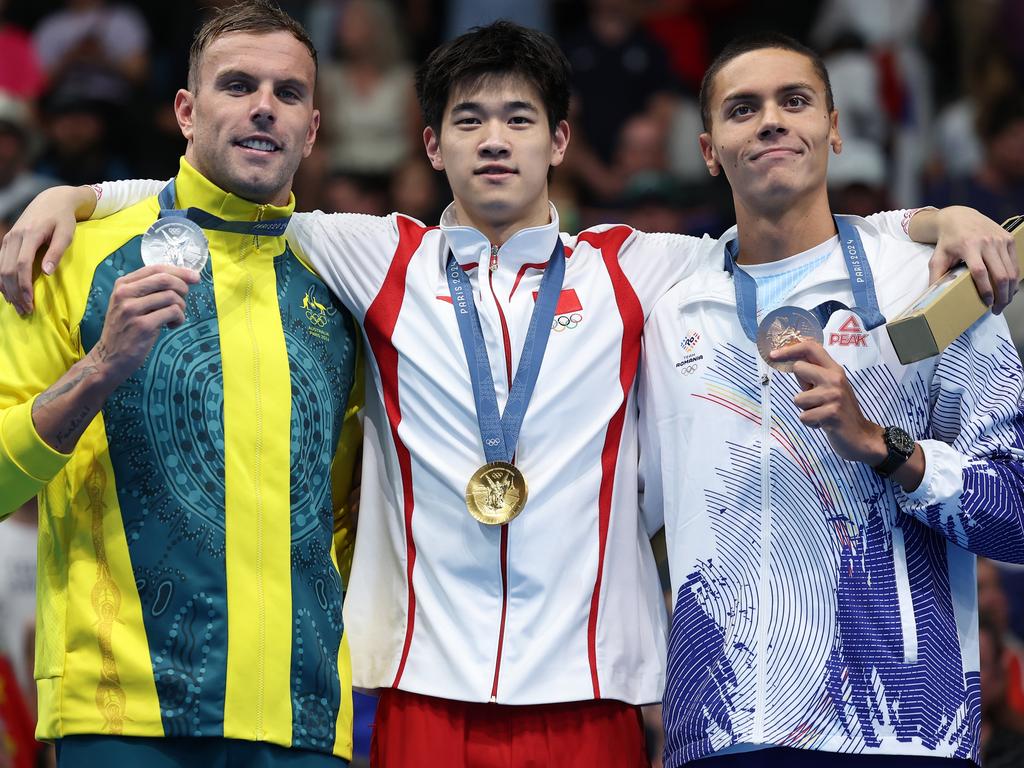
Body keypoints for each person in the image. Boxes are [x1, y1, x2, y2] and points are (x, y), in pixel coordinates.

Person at [0, 21, 1017, 768]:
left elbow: (793, 237)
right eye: (467, 120)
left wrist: (943, 217)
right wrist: (74, 196)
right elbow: (230, 191)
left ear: (560, 144)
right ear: (429, 146)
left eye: (520, 118)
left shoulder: (641, 267)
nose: (494, 139)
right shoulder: (369, 254)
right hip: (418, 696)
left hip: (594, 699)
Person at [638, 32, 1024, 768]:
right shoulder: (669, 312)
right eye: (743, 109)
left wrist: (886, 447)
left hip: (903, 731)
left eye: (795, 101)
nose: (772, 121)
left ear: (836, 128)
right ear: (709, 150)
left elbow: (1018, 514)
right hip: (720, 732)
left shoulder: (937, 282)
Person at [0, 2, 359, 765]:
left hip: (303, 718)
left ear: (313, 128)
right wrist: (99, 369)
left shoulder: (342, 288)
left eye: (287, 93)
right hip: (124, 715)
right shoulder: (67, 257)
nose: (264, 106)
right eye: (237, 85)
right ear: (187, 112)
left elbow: (351, 514)